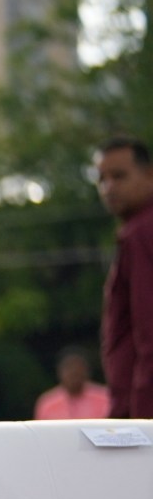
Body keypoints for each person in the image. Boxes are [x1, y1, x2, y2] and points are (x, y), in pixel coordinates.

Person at [98, 135, 153, 418]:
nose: (109, 188)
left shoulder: (141, 233)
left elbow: (148, 331)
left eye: (119, 176)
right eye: (102, 179)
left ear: (149, 175)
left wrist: (140, 420)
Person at [34, 348, 113, 420]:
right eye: (69, 369)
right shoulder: (47, 404)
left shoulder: (105, 398)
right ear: (59, 372)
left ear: (87, 371)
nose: (73, 372)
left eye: (78, 369)